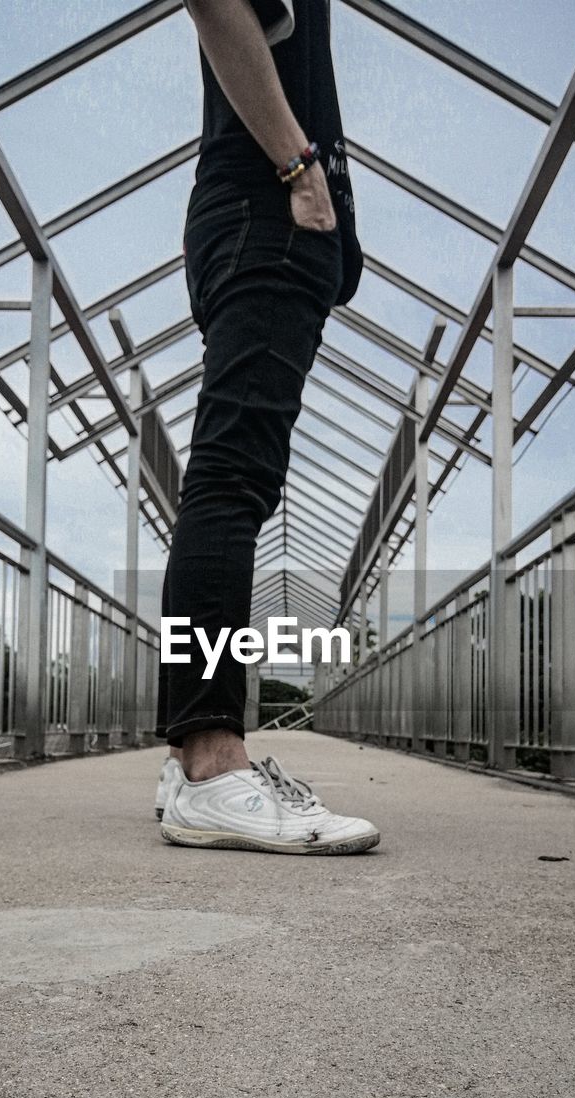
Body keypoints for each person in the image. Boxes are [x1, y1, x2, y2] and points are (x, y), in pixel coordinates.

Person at [154, 0, 380, 855]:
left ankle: (198, 759)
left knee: (231, 476)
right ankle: (212, 763)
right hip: (267, 208)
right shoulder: (280, 187)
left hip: (256, 214)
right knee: (231, 478)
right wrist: (301, 169)